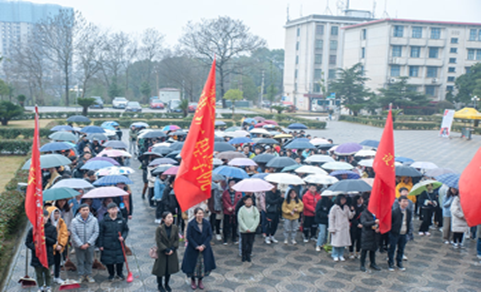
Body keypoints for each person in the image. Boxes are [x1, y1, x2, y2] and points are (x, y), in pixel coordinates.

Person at [181, 208, 216, 290]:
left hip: (204, 248)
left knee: (203, 265)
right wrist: (196, 246)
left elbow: (209, 235)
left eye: (202, 213)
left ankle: (200, 280)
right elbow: (189, 236)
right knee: (193, 265)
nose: (200, 215)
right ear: (195, 214)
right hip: (193, 248)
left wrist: (203, 245)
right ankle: (193, 280)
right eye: (199, 213)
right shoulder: (191, 224)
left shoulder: (207, 223)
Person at [25, 210, 57, 292]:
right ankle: (40, 286)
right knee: (38, 273)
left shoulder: (52, 228)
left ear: (48, 217)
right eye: (42, 217)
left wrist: (45, 239)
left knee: (48, 273)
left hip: (48, 254)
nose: (44, 219)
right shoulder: (33, 229)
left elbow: (53, 241)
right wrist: (35, 248)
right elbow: (27, 242)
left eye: (45, 217)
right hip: (37, 255)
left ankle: (49, 286)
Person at [98, 202, 129, 281]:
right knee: (109, 261)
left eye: (115, 209)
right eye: (112, 209)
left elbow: (126, 230)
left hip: (119, 243)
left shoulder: (121, 219)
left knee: (120, 260)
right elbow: (100, 233)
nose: (114, 211)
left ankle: (120, 273)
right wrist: (100, 245)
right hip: (107, 244)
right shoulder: (103, 221)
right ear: (108, 210)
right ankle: (111, 274)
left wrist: (123, 237)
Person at [70, 203, 99, 283]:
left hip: (90, 245)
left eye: (87, 210)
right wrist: (80, 244)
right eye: (84, 210)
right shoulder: (74, 221)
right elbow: (73, 233)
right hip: (78, 246)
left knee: (90, 260)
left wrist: (88, 243)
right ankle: (81, 275)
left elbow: (96, 232)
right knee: (80, 261)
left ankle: (88, 274)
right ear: (79, 211)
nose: (86, 212)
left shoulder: (94, 220)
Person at [152, 212, 180, 292]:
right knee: (160, 269)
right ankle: (160, 284)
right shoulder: (160, 228)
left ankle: (167, 284)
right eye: (168, 217)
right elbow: (158, 241)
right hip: (162, 252)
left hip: (172, 252)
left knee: (169, 269)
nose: (171, 219)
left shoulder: (175, 227)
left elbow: (177, 239)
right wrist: (165, 249)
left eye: (171, 217)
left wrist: (172, 248)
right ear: (164, 219)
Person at [388, 196, 412, 271]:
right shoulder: (395, 212)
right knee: (392, 248)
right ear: (399, 202)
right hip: (395, 233)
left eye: (406, 201)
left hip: (404, 233)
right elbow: (390, 222)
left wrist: (409, 231)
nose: (405, 203)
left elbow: (409, 222)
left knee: (401, 249)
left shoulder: (408, 211)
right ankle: (391, 263)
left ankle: (399, 262)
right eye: (404, 201)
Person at [328, 194, 355, 261]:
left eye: (344, 199)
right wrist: (332, 228)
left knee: (343, 242)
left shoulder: (346, 207)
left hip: (345, 227)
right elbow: (331, 219)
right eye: (342, 199)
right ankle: (335, 254)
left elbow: (350, 216)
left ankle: (341, 254)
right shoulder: (334, 208)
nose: (344, 201)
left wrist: (352, 211)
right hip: (337, 227)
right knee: (336, 243)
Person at [46, 207, 69, 284]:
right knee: (48, 264)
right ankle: (47, 279)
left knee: (57, 262)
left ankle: (57, 277)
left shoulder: (61, 222)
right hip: (49, 248)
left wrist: (61, 244)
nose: (56, 215)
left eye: (57, 213)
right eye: (55, 213)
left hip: (59, 247)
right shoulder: (47, 224)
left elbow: (64, 234)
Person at [237, 196, 260, 262]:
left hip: (252, 230)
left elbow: (257, 218)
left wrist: (253, 227)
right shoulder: (241, 209)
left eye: (250, 200)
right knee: (244, 243)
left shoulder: (254, 209)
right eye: (248, 200)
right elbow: (240, 219)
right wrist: (245, 228)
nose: (249, 202)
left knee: (250, 243)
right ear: (244, 201)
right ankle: (243, 255)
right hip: (243, 230)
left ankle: (248, 255)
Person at [359, 207, 381, 272]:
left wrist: (379, 228)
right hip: (367, 234)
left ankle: (373, 263)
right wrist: (374, 222)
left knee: (373, 250)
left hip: (375, 235)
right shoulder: (364, 213)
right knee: (364, 251)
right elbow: (364, 223)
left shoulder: (376, 213)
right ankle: (362, 264)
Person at [221, 179, 242, 245]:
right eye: (231, 183)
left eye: (233, 183)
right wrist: (228, 207)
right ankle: (225, 239)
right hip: (227, 211)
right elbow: (224, 201)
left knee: (235, 225)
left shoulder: (239, 192)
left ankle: (234, 238)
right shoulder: (225, 192)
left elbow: (239, 201)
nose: (232, 185)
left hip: (235, 211)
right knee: (226, 225)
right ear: (228, 184)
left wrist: (233, 208)